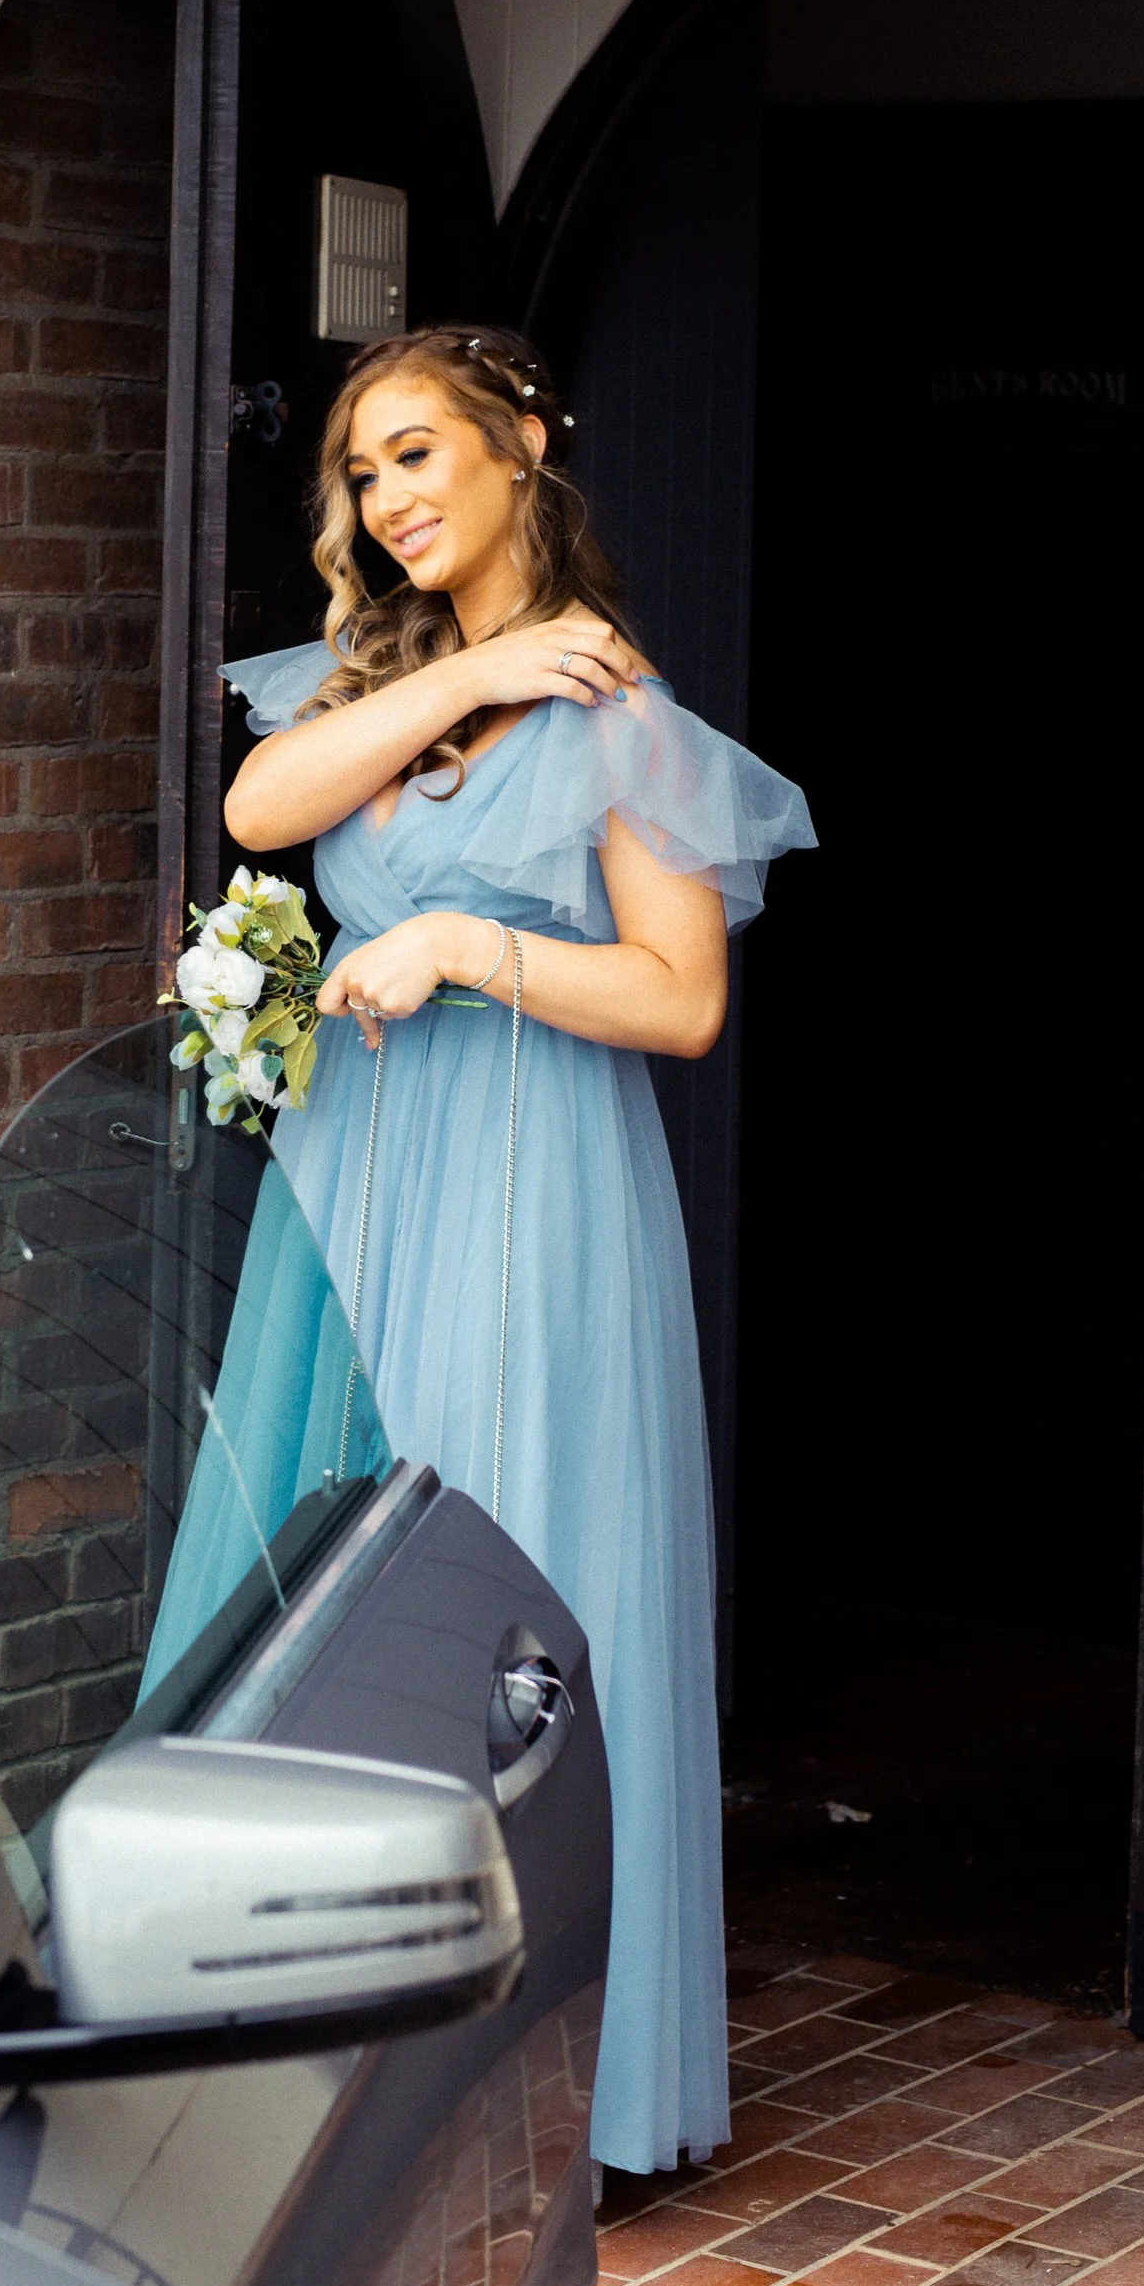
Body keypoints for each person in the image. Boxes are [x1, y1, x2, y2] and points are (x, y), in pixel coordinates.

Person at [220, 324, 814, 2181]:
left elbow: (683, 997)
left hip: (530, 1186)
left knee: (513, 1587)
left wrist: (473, 951)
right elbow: (262, 812)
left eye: (418, 455)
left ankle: (556, 2089)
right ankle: (328, 2059)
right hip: (357, 1194)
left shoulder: (616, 715)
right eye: (363, 471)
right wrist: (472, 662)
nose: (388, 497)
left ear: (521, 445)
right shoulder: (365, 684)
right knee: (326, 1591)